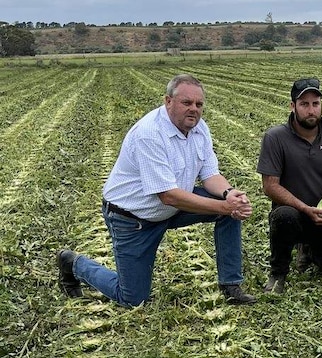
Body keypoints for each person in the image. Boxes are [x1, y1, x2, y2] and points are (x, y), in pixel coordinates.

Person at [57, 74, 256, 307]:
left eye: (199, 104)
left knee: (232, 211)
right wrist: (223, 206)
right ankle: (73, 263)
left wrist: (229, 195)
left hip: (173, 208)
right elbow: (168, 195)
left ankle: (230, 284)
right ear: (168, 101)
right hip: (133, 218)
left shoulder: (200, 128)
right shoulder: (149, 133)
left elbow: (210, 174)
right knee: (132, 299)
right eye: (187, 103)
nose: (194, 109)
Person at [257, 77, 322, 294]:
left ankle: (311, 249)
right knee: (283, 216)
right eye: (304, 104)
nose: (311, 110)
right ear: (293, 106)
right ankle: (278, 272)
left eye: (315, 104)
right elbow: (270, 186)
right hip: (294, 216)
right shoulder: (275, 138)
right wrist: (304, 208)